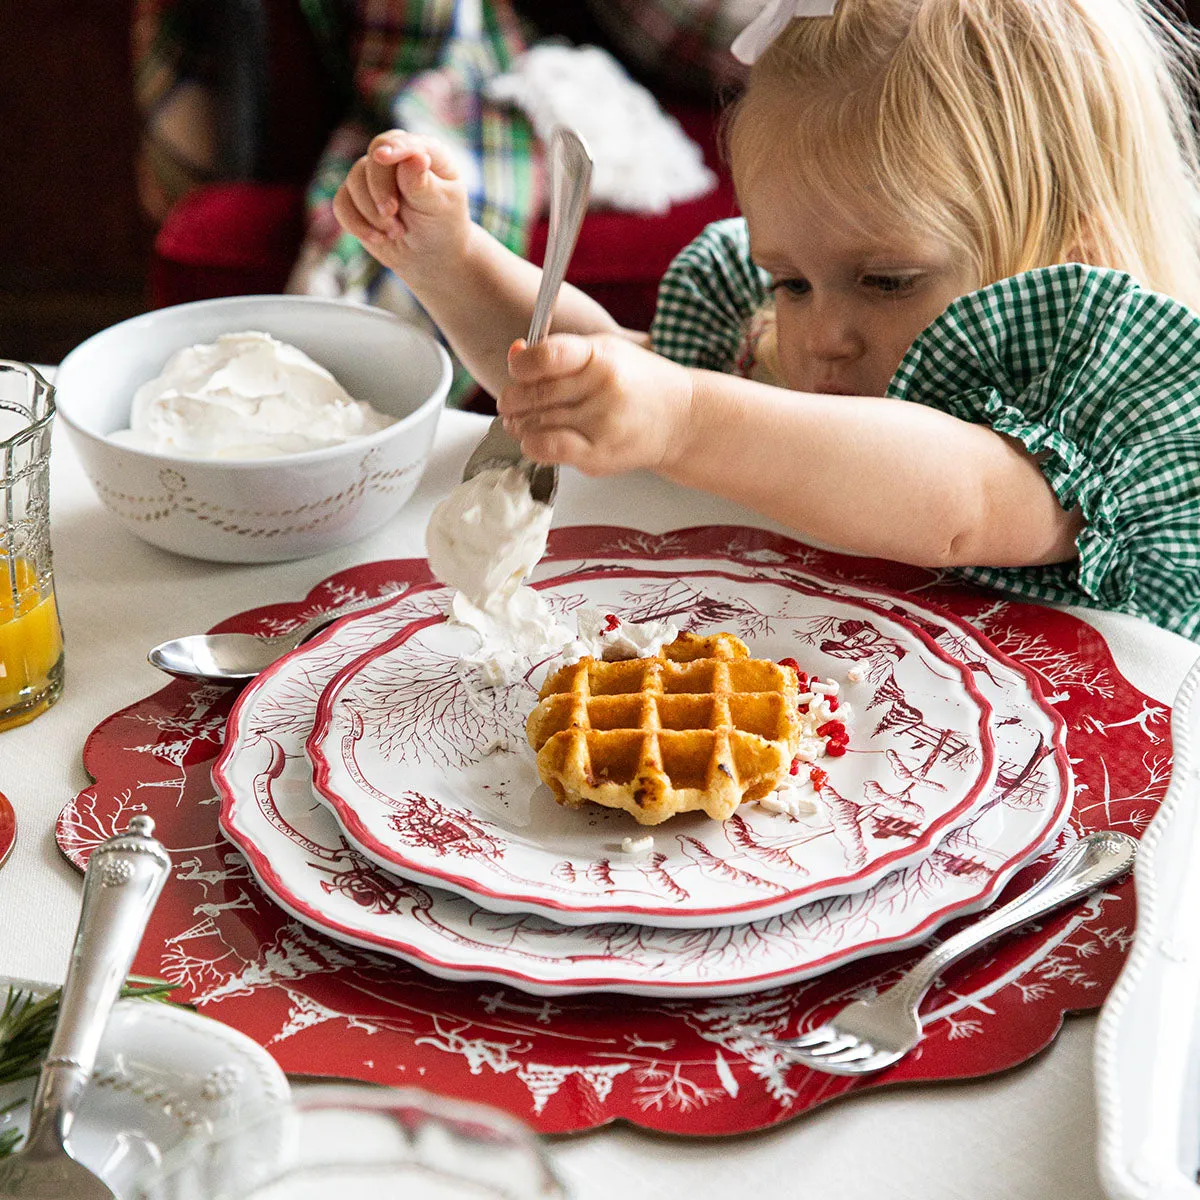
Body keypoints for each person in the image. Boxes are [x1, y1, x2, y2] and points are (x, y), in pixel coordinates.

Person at [333, 0, 1200, 640]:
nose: (820, 334)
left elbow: (957, 502)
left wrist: (683, 417)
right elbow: (585, 372)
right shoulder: (777, 343)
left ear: (1068, 257)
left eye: (887, 280)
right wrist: (449, 259)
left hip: (1087, 802)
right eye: (789, 281)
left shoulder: (1102, 419)